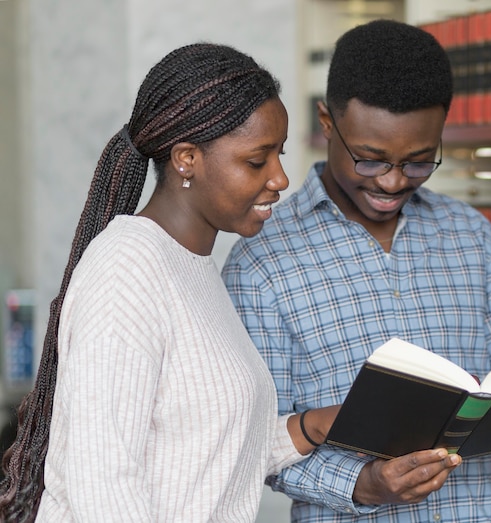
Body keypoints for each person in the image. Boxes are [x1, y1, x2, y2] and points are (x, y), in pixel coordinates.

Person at [222, 19, 491, 522]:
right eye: (371, 159)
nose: (394, 181)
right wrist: (363, 485)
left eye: (419, 161)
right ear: (327, 123)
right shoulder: (262, 261)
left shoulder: (472, 235)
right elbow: (253, 442)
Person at [0, 42, 340, 523]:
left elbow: (203, 451)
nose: (281, 178)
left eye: (279, 155)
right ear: (186, 158)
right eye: (257, 160)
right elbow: (104, 488)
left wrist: (315, 427)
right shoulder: (127, 270)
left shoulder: (192, 265)